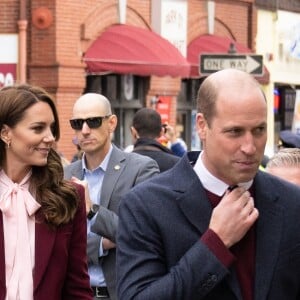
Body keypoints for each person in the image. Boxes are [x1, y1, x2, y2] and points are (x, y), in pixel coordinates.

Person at [117, 69, 300, 300]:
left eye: (259, 130)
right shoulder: (145, 206)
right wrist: (215, 244)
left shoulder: (291, 202)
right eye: (235, 132)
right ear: (202, 126)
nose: (250, 147)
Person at [0, 84, 92, 299]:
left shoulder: (69, 197)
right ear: (5, 133)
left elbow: (77, 287)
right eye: (38, 128)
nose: (50, 137)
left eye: (51, 128)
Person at [64, 93, 159, 300]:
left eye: (94, 121)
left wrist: (92, 210)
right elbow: (60, 245)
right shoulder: (65, 175)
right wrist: (102, 243)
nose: (85, 130)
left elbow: (143, 233)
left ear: (112, 123)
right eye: (78, 124)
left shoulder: (141, 169)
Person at [131, 107, 180, 172]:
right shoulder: (176, 164)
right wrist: (173, 139)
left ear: (133, 131)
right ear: (161, 132)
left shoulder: (124, 164)